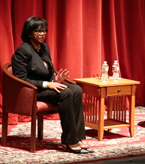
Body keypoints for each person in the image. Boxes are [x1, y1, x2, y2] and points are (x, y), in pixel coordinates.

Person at [11, 16, 93, 154]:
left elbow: (48, 69)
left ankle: (77, 137)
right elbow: (21, 79)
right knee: (66, 93)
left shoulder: (44, 48)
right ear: (29, 33)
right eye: (38, 31)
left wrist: (55, 80)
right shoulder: (23, 51)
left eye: (44, 30)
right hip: (32, 90)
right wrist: (46, 84)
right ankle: (69, 140)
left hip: (47, 86)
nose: (42, 34)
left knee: (77, 90)